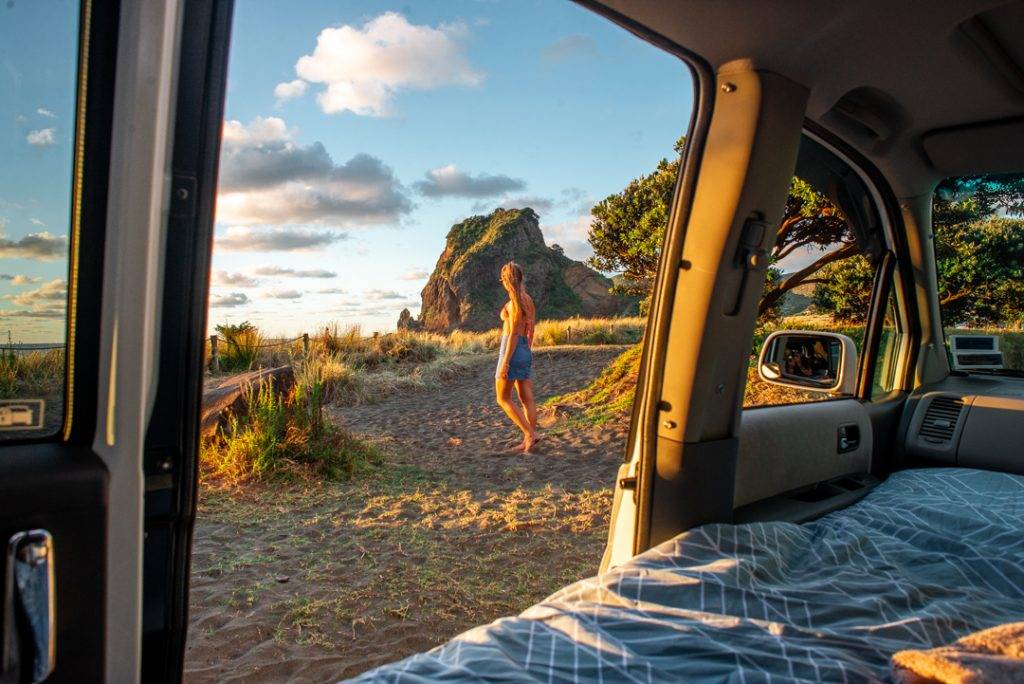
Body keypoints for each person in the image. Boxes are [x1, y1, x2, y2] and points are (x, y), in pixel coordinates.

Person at [495, 261, 539, 452]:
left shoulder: (514, 303)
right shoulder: (527, 299)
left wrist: (505, 362)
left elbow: (512, 333)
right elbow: (531, 329)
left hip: (511, 348)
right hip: (523, 348)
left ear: (506, 280)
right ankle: (529, 439)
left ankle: (530, 434)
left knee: (503, 398)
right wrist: (526, 348)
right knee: (526, 398)